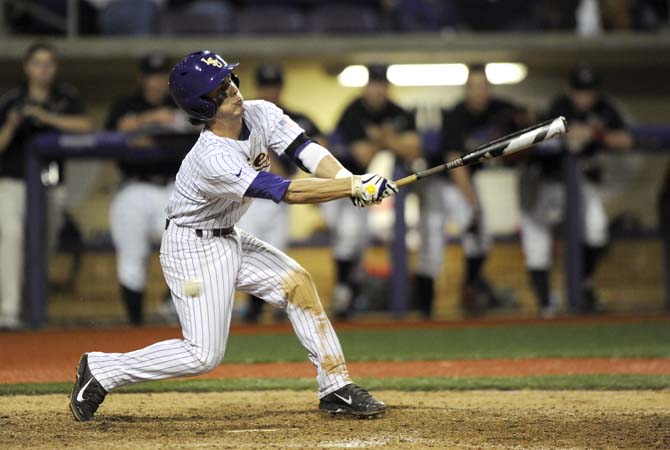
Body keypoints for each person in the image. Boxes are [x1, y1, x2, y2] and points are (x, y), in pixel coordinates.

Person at [69, 50, 396, 421]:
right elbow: (287, 192)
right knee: (203, 355)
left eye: (229, 81)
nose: (233, 91)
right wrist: (352, 186)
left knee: (297, 284)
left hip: (228, 235)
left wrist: (347, 180)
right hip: (192, 247)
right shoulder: (213, 158)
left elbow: (305, 150)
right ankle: (101, 369)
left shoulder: (261, 112)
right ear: (203, 107)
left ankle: (335, 386)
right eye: (220, 90)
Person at [519, 66, 632, 317]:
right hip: (539, 178)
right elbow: (559, 139)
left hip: (573, 180)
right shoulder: (559, 106)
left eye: (589, 91)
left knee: (596, 229)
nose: (585, 97)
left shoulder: (603, 107)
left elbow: (626, 139)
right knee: (537, 242)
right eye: (580, 92)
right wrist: (577, 134)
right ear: (571, 92)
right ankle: (545, 303)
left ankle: (583, 283)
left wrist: (595, 133)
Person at [414, 64, 526, 318]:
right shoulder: (457, 114)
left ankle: (471, 290)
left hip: (464, 184)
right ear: (467, 90)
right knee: (432, 246)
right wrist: (473, 202)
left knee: (480, 239)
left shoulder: (498, 109)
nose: (479, 92)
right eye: (474, 87)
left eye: (483, 87)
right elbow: (454, 161)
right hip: (440, 181)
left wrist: (524, 119)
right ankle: (424, 312)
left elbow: (523, 117)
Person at [0, 43, 92, 330]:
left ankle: (34, 309)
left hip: (50, 181)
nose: (43, 69)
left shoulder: (64, 97)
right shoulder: (12, 99)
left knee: (45, 242)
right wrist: (14, 123)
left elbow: (86, 126)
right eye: (37, 63)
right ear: (27, 67)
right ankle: (10, 312)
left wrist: (45, 117)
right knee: (12, 236)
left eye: (49, 63)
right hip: (14, 181)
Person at [325, 64, 420, 320]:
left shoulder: (397, 112)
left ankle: (347, 295)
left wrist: (381, 139)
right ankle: (344, 291)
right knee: (347, 237)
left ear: (387, 88)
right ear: (366, 87)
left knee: (359, 241)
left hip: (362, 190)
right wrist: (388, 140)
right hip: (337, 185)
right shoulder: (353, 111)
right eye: (373, 85)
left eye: (382, 85)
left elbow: (414, 149)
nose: (377, 90)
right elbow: (362, 154)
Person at [106, 53, 192, 326]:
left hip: (172, 186)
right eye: (151, 75)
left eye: (160, 75)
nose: (156, 81)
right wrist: (152, 120)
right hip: (134, 188)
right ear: (141, 77)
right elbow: (114, 132)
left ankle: (171, 304)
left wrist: (151, 136)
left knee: (186, 247)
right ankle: (135, 324)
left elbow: (197, 136)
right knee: (132, 256)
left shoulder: (181, 102)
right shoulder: (125, 104)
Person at [238, 62, 326, 323]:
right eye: (265, 86)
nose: (269, 92)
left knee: (275, 253)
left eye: (273, 86)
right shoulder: (244, 117)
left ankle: (274, 309)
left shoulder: (291, 117)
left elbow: (321, 143)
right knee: (249, 255)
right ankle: (254, 311)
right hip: (250, 198)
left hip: (281, 196)